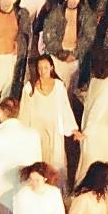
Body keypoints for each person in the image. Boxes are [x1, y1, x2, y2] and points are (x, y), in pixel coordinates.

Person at [19, 55, 79, 184]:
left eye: (45, 67)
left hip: (54, 130)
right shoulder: (29, 87)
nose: (42, 71)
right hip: (37, 130)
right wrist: (23, 132)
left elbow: (65, 107)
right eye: (40, 68)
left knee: (55, 161)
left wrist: (73, 129)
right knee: (38, 159)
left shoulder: (59, 86)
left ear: (51, 68)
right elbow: (24, 111)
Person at [77, 51, 108, 176]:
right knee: (99, 158)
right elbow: (97, 108)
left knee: (94, 157)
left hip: (102, 125)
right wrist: (87, 130)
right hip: (100, 127)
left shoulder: (96, 81)